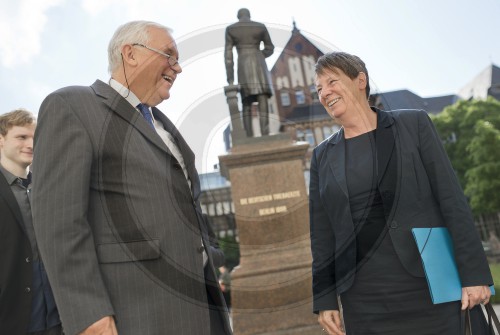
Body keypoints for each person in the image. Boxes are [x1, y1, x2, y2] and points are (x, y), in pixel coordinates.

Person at [32, 21, 232, 335]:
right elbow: (59, 222)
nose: (177, 68)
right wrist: (88, 314)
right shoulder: (72, 106)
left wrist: (210, 252)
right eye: (169, 55)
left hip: (204, 309)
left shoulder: (165, 126)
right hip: (137, 316)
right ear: (131, 54)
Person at [309, 51, 493, 335]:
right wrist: (324, 299)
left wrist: (475, 275)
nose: (324, 93)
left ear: (360, 81)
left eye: (332, 81)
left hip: (430, 285)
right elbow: (322, 234)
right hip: (363, 300)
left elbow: (452, 200)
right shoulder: (322, 156)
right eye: (319, 88)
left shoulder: (413, 124)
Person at [0, 109, 62, 334]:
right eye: (22, 137)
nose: (31, 144)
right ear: (1, 140)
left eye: (35, 137)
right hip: (13, 319)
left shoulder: (49, 187)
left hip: (57, 318)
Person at [225, 8, 274, 137]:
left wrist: (230, 78)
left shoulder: (231, 29)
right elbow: (270, 48)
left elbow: (228, 55)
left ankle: (249, 136)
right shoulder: (260, 27)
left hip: (243, 64)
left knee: (246, 100)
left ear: (238, 16)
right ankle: (265, 132)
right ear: (249, 15)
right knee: (262, 97)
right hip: (259, 64)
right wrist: (259, 55)